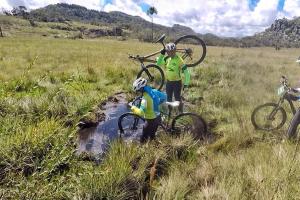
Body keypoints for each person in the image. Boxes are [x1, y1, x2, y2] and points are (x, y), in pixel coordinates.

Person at [130, 77, 167, 143]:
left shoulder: (145, 99)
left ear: (141, 89)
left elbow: (141, 112)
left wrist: (133, 108)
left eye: (138, 91)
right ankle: (154, 143)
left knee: (143, 137)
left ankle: (142, 149)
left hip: (150, 120)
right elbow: (164, 97)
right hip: (158, 117)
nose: (138, 92)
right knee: (152, 134)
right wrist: (158, 103)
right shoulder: (154, 91)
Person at [156, 43, 191, 112]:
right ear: (167, 52)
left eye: (172, 51)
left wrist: (186, 83)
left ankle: (180, 113)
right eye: (169, 52)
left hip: (177, 83)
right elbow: (158, 64)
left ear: (175, 51)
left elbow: (187, 72)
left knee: (177, 98)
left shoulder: (179, 60)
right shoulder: (167, 59)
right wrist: (162, 54)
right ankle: (170, 113)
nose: (171, 53)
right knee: (168, 98)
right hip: (169, 82)